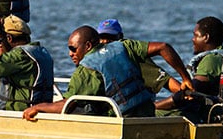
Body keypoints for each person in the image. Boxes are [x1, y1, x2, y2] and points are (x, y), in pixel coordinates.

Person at [22, 26, 156, 120]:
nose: (70, 54)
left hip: (120, 119)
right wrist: (179, 76)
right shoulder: (122, 47)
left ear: (87, 46)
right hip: (147, 113)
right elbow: (163, 47)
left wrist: (39, 107)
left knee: (82, 108)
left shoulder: (85, 69)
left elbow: (67, 105)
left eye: (73, 49)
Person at [96, 18, 194, 97]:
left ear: (120, 37)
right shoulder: (93, 57)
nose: (105, 41)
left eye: (110, 37)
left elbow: (163, 48)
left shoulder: (132, 55)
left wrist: (186, 82)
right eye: (102, 37)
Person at [155, 16, 223, 122]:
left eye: (195, 35)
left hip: (199, 115)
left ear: (206, 37)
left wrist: (155, 105)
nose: (193, 40)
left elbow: (191, 91)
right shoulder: (219, 56)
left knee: (151, 113)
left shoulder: (211, 59)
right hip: (196, 110)